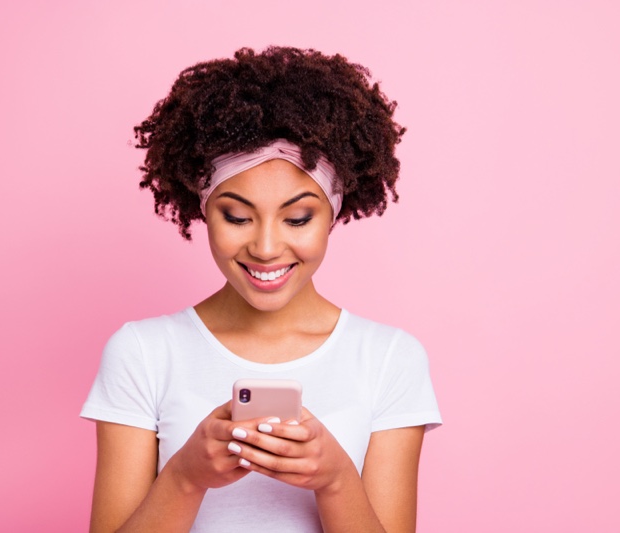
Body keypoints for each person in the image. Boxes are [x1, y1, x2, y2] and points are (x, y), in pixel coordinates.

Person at [81, 46, 441, 533]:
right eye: (236, 216)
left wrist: (334, 479)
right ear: (202, 209)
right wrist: (186, 476)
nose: (267, 247)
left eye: (297, 218)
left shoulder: (389, 358)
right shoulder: (143, 352)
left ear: (333, 213)